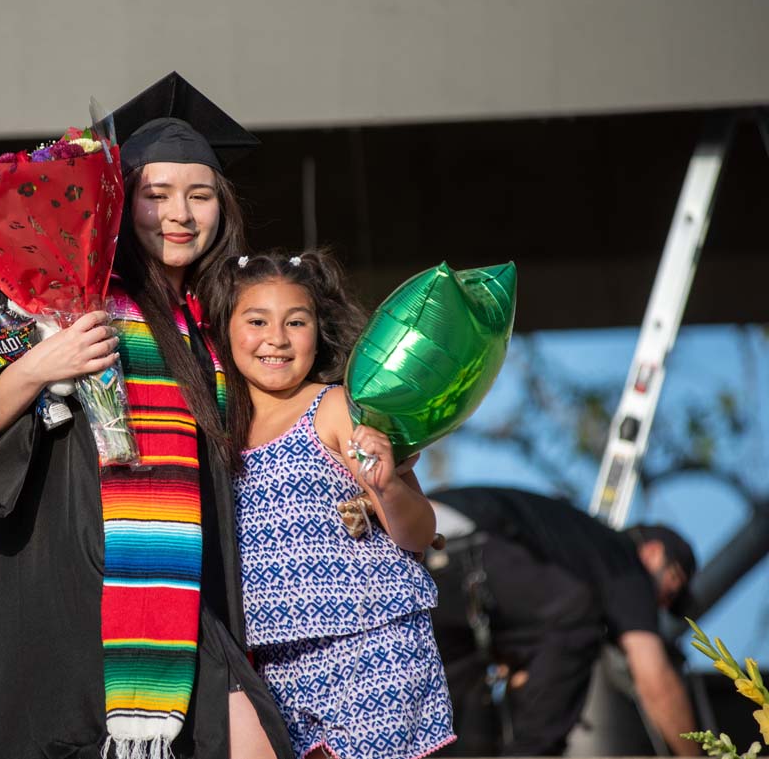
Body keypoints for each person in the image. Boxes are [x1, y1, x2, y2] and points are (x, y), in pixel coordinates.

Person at [0, 73, 294, 759]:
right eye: (157, 194)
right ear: (119, 199)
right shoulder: (51, 296)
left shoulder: (225, 322)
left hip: (192, 596)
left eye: (200, 194)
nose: (180, 213)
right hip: (70, 592)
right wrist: (39, 366)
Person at [208, 251, 455, 759]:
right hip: (276, 662)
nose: (277, 338)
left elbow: (418, 532)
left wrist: (387, 488)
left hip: (373, 645)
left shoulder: (339, 407)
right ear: (224, 330)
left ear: (318, 332)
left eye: (296, 322)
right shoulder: (217, 431)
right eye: (257, 321)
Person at [425, 486, 699, 757]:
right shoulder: (627, 565)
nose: (662, 604)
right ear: (653, 552)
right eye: (671, 589)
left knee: (439, 723)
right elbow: (655, 678)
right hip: (464, 544)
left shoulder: (570, 546)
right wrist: (694, 754)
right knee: (578, 619)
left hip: (421, 548)